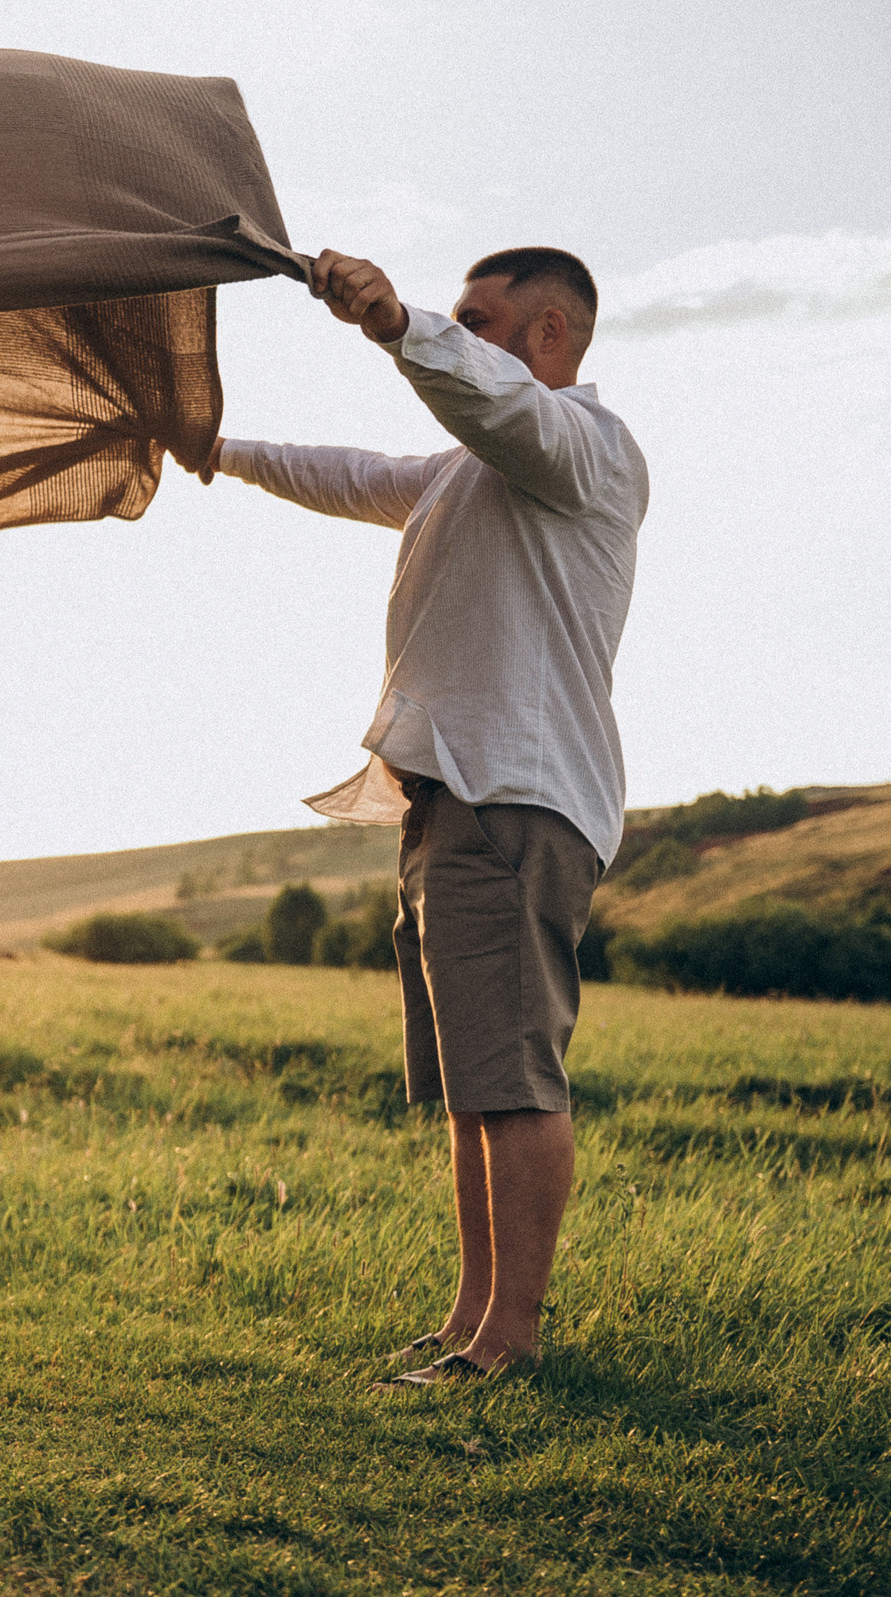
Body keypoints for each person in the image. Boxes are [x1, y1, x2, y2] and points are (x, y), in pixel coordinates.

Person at [202, 248, 647, 1386]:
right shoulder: (474, 472)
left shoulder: (583, 449)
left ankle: (508, 1342)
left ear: (551, 336)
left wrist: (399, 324)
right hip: (453, 799)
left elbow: (483, 399)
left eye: (480, 321)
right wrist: (213, 450)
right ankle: (467, 1320)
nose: (463, 338)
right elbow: (349, 472)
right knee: (469, 1085)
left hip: (514, 801)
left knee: (513, 1078)